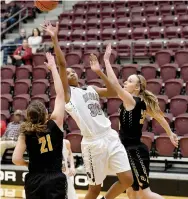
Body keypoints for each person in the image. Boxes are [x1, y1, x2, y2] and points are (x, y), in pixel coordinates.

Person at [41, 21, 133, 199]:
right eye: (67, 74)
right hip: (93, 143)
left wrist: (99, 72)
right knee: (94, 189)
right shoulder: (68, 94)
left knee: (128, 180)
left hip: (110, 136)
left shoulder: (91, 88)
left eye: (72, 72)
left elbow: (114, 92)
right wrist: (55, 39)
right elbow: (61, 64)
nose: (71, 73)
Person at [97, 44, 179, 199]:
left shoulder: (132, 100)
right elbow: (160, 118)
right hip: (128, 150)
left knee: (144, 193)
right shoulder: (140, 103)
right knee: (131, 192)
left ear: (136, 88)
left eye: (129, 81)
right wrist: (170, 134)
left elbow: (114, 85)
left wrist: (107, 61)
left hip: (134, 151)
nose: (125, 83)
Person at [12, 52, 67, 199]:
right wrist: (53, 68)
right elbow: (61, 95)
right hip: (54, 178)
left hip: (34, 178)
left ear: (29, 116)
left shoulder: (25, 132)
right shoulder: (55, 123)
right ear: (45, 113)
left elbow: (16, 159)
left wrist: (27, 163)